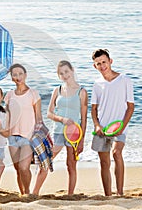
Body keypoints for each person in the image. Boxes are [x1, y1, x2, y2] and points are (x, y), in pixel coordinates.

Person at [91, 49, 134, 196]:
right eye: (98, 64)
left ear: (110, 61)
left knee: (116, 153)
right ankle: (108, 195)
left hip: (120, 127)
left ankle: (120, 193)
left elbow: (130, 107)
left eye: (104, 62)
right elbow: (93, 109)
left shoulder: (124, 80)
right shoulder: (97, 84)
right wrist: (97, 125)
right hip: (102, 128)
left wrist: (122, 126)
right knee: (104, 162)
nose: (102, 66)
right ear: (94, 66)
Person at [42, 60, 88, 195]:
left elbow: (84, 118)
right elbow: (49, 113)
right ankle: (35, 190)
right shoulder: (57, 90)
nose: (64, 75)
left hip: (74, 134)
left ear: (72, 70)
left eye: (66, 71)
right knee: (46, 160)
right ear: (59, 76)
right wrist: (62, 119)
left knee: (71, 164)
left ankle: (70, 194)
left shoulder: (82, 92)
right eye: (61, 73)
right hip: (58, 131)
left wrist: (82, 140)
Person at [4, 63, 43, 196]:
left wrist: (39, 137)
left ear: (25, 75)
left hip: (28, 137)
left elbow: (39, 118)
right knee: (17, 169)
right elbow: (6, 116)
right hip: (12, 137)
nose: (18, 77)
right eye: (14, 74)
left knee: (23, 167)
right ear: (11, 78)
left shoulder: (33, 94)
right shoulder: (9, 95)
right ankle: (22, 193)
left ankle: (27, 193)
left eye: (20, 74)